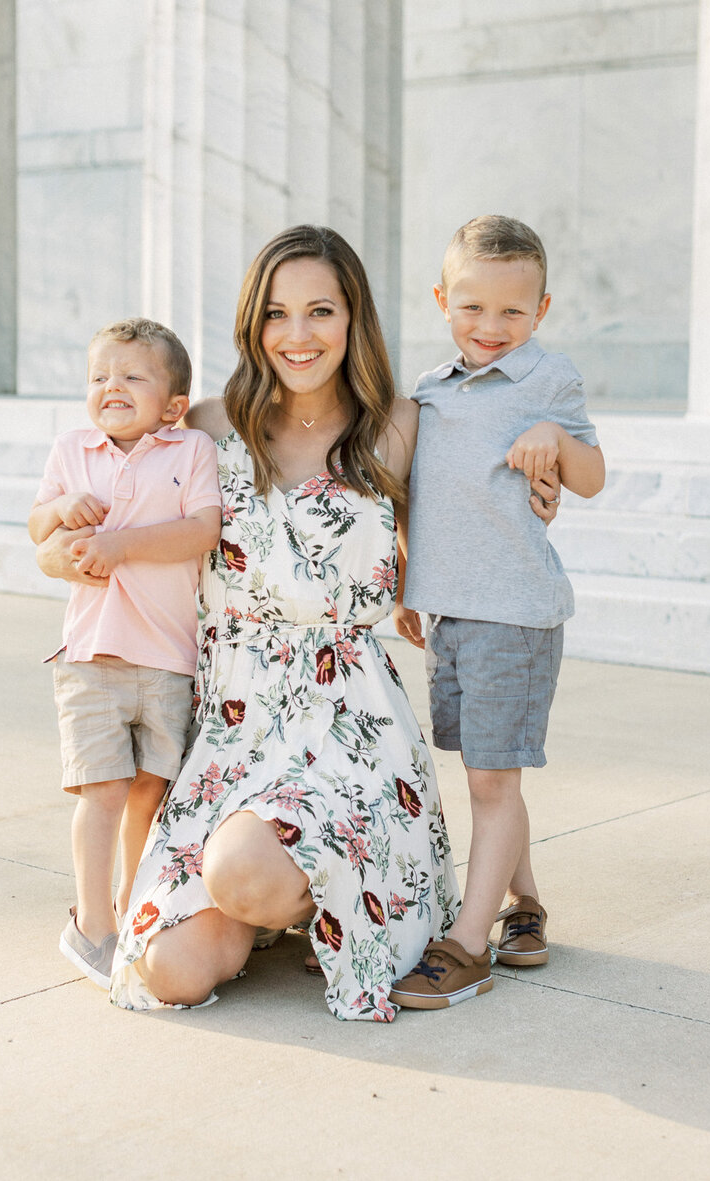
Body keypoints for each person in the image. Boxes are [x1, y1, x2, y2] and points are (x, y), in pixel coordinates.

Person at [70, 225, 461, 1022]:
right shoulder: (208, 426)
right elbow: (95, 490)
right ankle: (284, 898)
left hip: (346, 722)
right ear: (253, 323)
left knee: (243, 867)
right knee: (168, 971)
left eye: (320, 310)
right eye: (277, 314)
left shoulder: (398, 424)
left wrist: (546, 459)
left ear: (353, 317)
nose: (298, 334)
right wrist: (60, 541)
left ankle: (298, 885)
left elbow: (479, 505)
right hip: (233, 721)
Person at [390, 214, 604, 1010]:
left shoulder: (548, 379)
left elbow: (591, 475)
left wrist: (554, 437)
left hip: (514, 614)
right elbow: (423, 497)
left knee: (489, 776)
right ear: (444, 300)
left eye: (513, 312)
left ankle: (467, 945)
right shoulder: (431, 390)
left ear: (541, 310)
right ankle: (525, 907)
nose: (491, 327)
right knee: (487, 767)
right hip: (450, 614)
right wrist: (415, 585)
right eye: (473, 308)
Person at [29, 318, 222, 989]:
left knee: (150, 793)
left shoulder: (190, 449)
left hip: (168, 656)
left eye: (132, 375)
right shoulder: (73, 449)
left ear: (172, 404)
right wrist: (61, 508)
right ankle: (92, 924)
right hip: (91, 654)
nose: (112, 385)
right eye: (99, 376)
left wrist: (120, 545)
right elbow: (35, 526)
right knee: (103, 787)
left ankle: (135, 907)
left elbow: (202, 529)